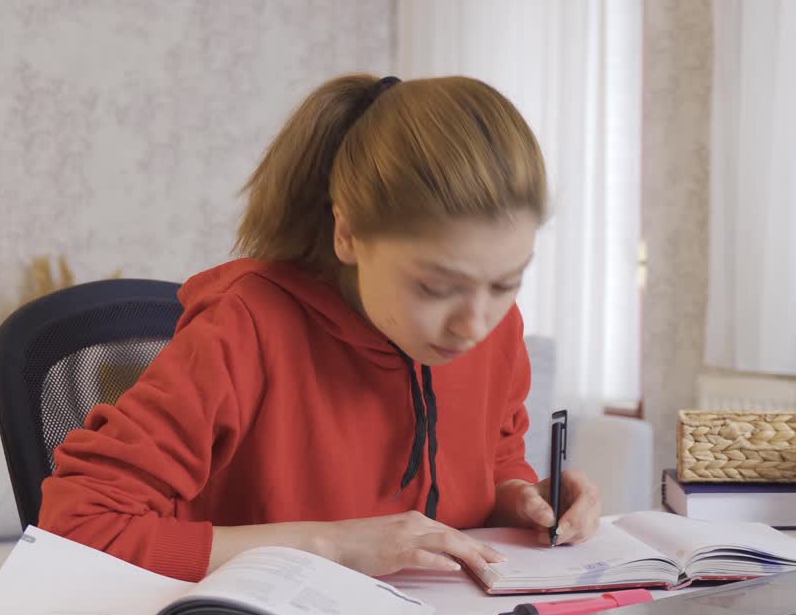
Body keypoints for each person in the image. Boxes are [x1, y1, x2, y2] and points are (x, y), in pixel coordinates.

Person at [39, 74, 603, 583]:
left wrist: (521, 499)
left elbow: (495, 457)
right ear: (348, 235)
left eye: (506, 284)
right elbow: (77, 529)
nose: (475, 324)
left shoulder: (493, 333)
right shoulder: (244, 329)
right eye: (435, 288)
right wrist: (333, 545)